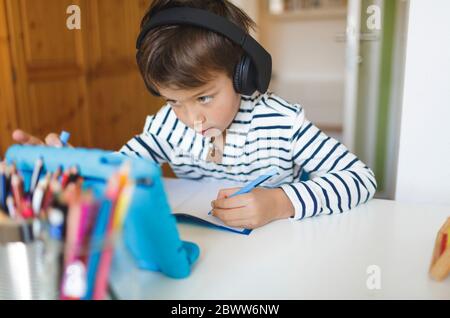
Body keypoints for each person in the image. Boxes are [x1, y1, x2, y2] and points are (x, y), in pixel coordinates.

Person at [12, 0, 376, 230]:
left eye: (204, 97)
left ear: (242, 75)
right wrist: (65, 169)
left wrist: (280, 202)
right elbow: (118, 169)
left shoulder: (283, 124)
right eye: (173, 100)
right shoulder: (165, 127)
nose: (191, 119)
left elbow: (360, 179)